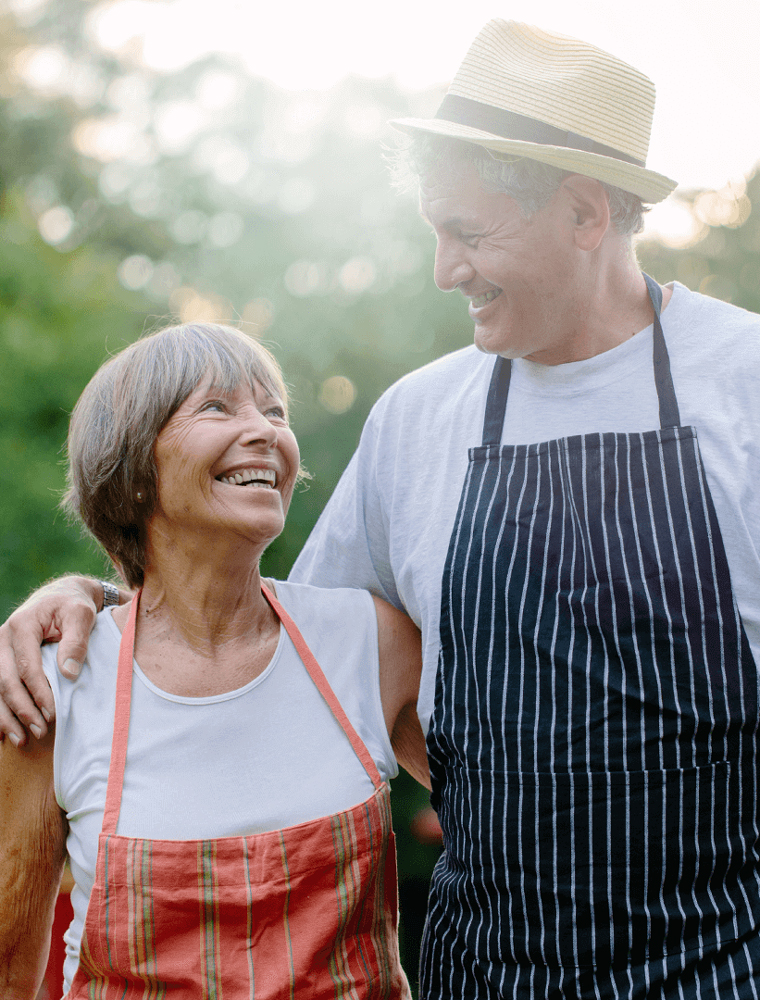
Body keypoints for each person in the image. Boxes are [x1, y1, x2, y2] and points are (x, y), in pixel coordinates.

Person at [2, 17, 760, 999]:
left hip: (724, 966)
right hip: (488, 976)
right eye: (434, 231)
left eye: (471, 233)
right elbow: (260, 640)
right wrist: (90, 598)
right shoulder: (417, 421)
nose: (445, 269)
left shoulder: (743, 384)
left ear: (584, 211)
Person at [0, 322, 425, 998]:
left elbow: (518, 825)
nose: (265, 431)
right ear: (136, 468)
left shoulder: (373, 643)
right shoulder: (52, 686)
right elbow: (9, 972)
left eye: (274, 410)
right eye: (218, 407)